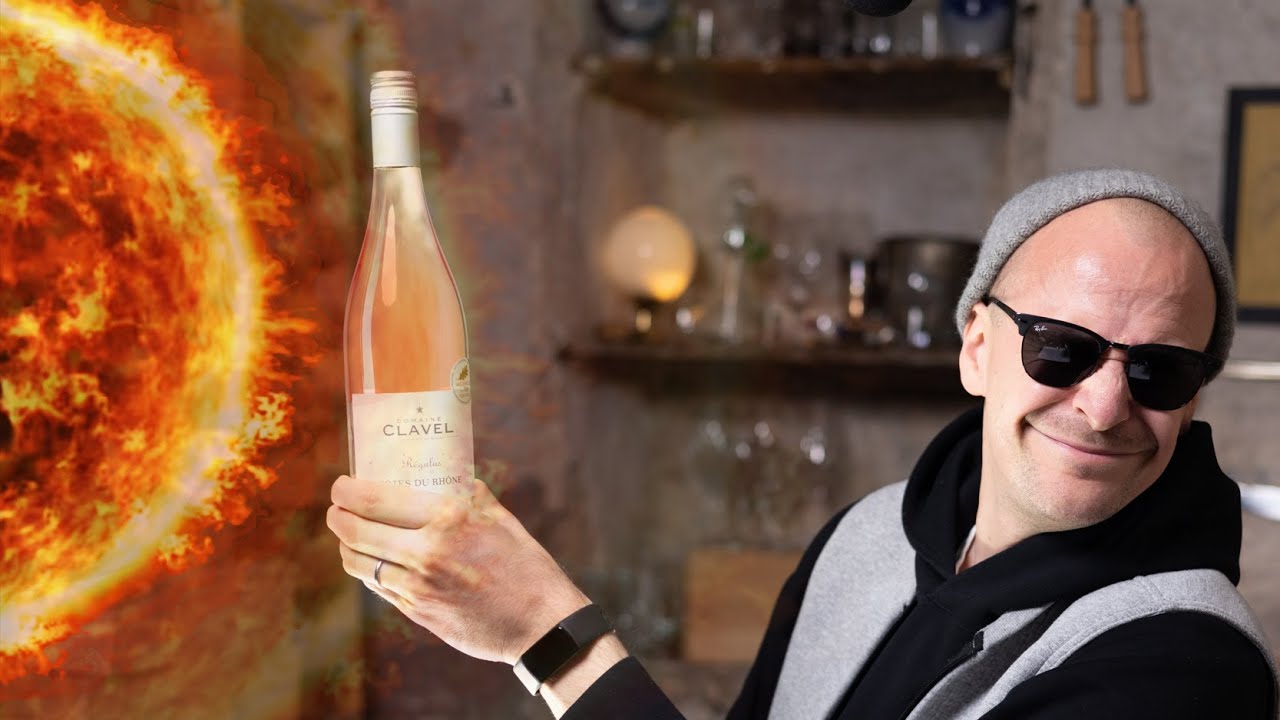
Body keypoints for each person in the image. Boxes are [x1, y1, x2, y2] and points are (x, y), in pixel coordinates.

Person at [326, 169, 1280, 719]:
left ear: (1194, 397)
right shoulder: (870, 536)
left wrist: (550, 634)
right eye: (1061, 349)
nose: (1106, 406)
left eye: (1159, 371)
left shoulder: (1186, 667)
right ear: (977, 348)